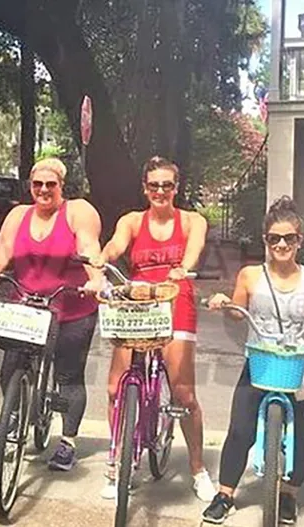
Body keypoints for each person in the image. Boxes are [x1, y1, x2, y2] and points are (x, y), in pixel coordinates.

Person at [201, 196, 304, 524]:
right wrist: (223, 303)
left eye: (289, 238)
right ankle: (226, 494)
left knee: (302, 434)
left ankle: (289, 494)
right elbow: (237, 314)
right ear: (265, 241)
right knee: (240, 430)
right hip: (261, 360)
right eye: (274, 238)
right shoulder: (250, 275)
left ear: (299, 241)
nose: (281, 244)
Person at [93, 156, 215, 501]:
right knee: (116, 388)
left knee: (184, 394)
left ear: (176, 188)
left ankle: (197, 468)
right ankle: (117, 459)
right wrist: (105, 258)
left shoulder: (192, 221)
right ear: (144, 188)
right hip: (139, 302)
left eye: (167, 185)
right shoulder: (133, 221)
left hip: (177, 300)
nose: (160, 191)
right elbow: (116, 244)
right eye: (154, 185)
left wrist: (183, 268)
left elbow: (194, 249)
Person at [0, 157, 103, 471]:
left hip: (71, 305)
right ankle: (15, 415)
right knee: (11, 365)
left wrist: (95, 279)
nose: (43, 190)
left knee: (69, 375)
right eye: (37, 184)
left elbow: (88, 246)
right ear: (30, 186)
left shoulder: (78, 211)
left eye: (50, 184)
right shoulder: (19, 214)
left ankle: (68, 441)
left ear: (62, 186)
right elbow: (4, 248)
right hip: (27, 304)